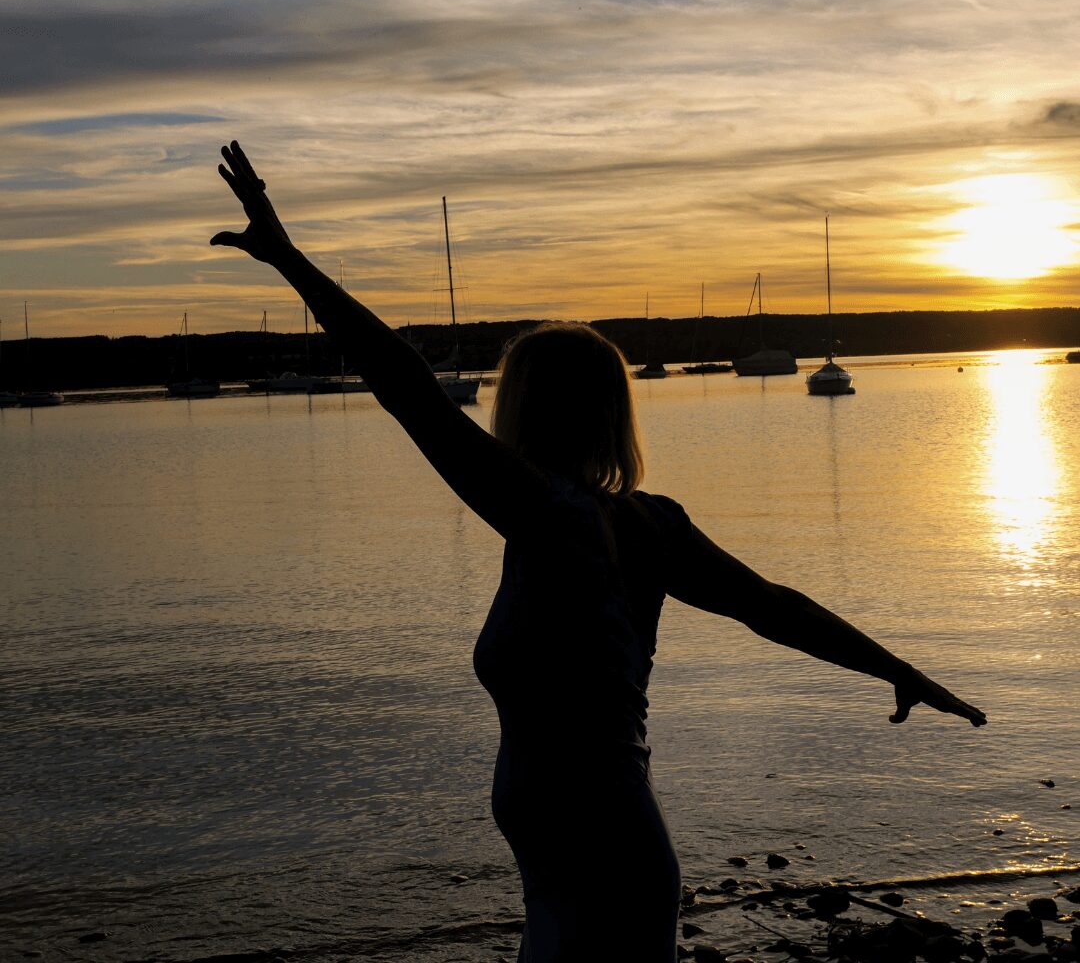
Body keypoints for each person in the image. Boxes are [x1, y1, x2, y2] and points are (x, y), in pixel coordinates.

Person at [211, 141, 987, 963]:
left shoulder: (549, 515)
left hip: (600, 858)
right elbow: (774, 606)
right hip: (588, 858)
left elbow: (407, 389)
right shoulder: (643, 526)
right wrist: (898, 668)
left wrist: (291, 261)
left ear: (524, 408)